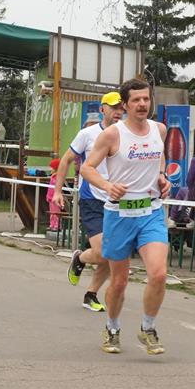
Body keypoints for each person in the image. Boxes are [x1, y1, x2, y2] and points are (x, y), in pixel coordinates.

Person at [80, 78, 172, 355]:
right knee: (119, 282)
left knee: (159, 274)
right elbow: (87, 168)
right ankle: (112, 327)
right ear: (125, 105)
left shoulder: (159, 129)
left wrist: (161, 176)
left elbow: (159, 156)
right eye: (136, 100)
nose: (142, 104)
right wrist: (108, 186)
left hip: (151, 212)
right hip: (120, 214)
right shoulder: (112, 135)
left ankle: (148, 328)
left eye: (146, 99)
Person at [56, 93, 124, 312]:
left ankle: (90, 295)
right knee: (103, 251)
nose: (118, 112)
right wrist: (57, 191)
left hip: (118, 201)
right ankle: (81, 258)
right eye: (113, 107)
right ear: (102, 109)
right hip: (92, 198)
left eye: (121, 108)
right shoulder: (88, 134)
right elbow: (66, 160)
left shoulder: (127, 134)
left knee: (112, 253)